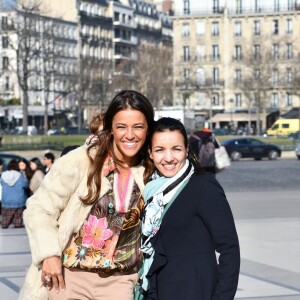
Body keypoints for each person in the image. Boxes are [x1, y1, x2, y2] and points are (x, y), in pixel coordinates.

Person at [18, 90, 154, 300]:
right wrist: (49, 254)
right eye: (121, 127)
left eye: (138, 126)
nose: (130, 134)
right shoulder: (81, 161)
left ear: (148, 129)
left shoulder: (151, 170)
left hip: (120, 282)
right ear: (110, 129)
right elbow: (39, 208)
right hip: (69, 278)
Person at [140, 118, 240, 300]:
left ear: (186, 150)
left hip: (195, 291)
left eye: (176, 149)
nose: (168, 158)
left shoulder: (203, 186)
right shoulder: (151, 192)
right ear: (150, 153)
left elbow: (230, 249)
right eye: (160, 150)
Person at [0, 159, 28, 228]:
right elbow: (25, 185)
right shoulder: (20, 175)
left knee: (5, 221)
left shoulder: (3, 175)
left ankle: (5, 225)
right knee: (18, 221)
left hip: (6, 201)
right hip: (18, 201)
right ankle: (17, 225)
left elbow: (2, 184)